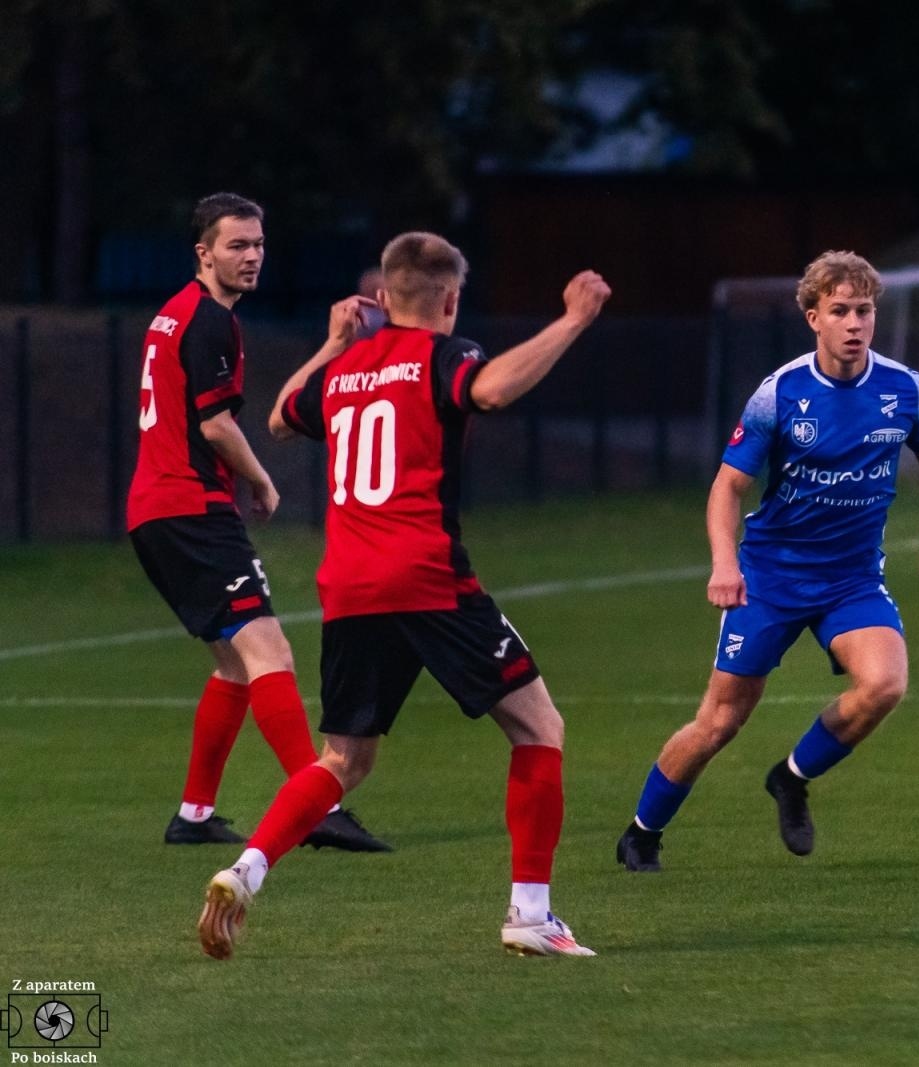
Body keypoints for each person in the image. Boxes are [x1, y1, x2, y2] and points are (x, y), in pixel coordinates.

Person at [197, 231, 611, 960]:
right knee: (539, 727)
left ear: (384, 298)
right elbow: (491, 389)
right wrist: (574, 320)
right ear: (450, 300)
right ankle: (531, 914)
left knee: (343, 759)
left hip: (350, 586)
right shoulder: (445, 356)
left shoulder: (348, 366)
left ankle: (245, 868)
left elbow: (280, 414)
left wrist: (331, 342)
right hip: (428, 577)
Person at [616, 250, 919, 872]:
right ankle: (642, 831)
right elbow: (727, 488)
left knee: (885, 683)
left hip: (851, 579)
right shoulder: (780, 394)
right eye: (840, 311)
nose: (855, 324)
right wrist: (726, 565)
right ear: (813, 318)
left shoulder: (906, 389)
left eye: (865, 310)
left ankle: (792, 777)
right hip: (770, 580)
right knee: (718, 723)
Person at [127, 192, 388, 853]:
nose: (251, 256)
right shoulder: (211, 320)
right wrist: (262, 479)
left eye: (258, 245)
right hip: (190, 509)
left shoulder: (174, 314)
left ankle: (193, 814)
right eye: (236, 245)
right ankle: (314, 803)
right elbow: (214, 424)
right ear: (203, 252)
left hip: (159, 510)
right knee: (271, 652)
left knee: (236, 667)